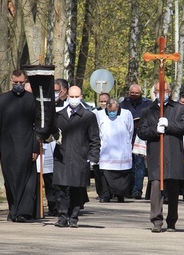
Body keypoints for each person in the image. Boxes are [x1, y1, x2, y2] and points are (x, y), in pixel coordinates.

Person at [138, 81, 184, 233]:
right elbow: (141, 131)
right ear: (154, 92)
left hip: (173, 153)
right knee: (156, 186)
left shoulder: (179, 108)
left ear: (170, 91)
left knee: (173, 188)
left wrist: (170, 124)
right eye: (158, 91)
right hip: (156, 153)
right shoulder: (148, 110)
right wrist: (156, 130)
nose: (162, 94)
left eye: (165, 90)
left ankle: (172, 220)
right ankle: (156, 221)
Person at [0, 69, 39, 222]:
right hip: (8, 146)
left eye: (21, 83)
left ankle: (24, 212)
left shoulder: (32, 99)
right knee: (11, 180)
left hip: (27, 145)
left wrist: (35, 147)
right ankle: (13, 210)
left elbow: (36, 126)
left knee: (28, 180)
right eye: (15, 82)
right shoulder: (3, 99)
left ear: (25, 82)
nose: (18, 85)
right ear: (11, 81)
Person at [52, 86, 100, 228]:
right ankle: (62, 216)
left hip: (80, 157)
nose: (73, 99)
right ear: (67, 97)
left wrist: (93, 157)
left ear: (81, 97)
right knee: (61, 188)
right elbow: (50, 133)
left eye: (76, 97)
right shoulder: (59, 115)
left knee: (76, 188)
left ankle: (73, 216)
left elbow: (95, 139)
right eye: (71, 97)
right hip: (62, 156)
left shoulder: (88, 116)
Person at [96, 98, 134, 203]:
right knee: (105, 173)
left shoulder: (127, 114)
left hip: (122, 150)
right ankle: (106, 194)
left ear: (118, 108)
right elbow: (98, 131)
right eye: (109, 111)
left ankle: (120, 195)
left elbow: (131, 130)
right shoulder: (99, 115)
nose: (112, 113)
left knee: (122, 175)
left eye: (114, 111)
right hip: (106, 150)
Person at [120, 84, 152, 199]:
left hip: (140, 136)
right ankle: (127, 189)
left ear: (140, 93)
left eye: (136, 93)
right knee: (128, 164)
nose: (134, 95)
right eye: (132, 93)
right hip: (126, 137)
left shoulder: (147, 104)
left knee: (139, 164)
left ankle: (137, 190)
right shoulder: (123, 104)